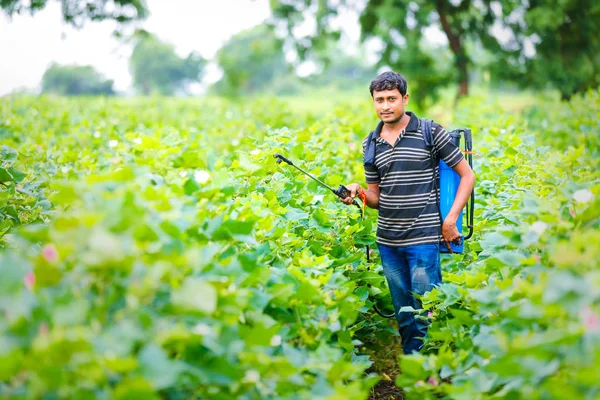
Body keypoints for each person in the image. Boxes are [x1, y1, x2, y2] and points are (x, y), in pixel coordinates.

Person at [340, 71, 475, 354]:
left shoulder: (429, 131)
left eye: (391, 98)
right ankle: (416, 372)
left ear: (405, 98)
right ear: (373, 102)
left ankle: (431, 373)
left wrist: (450, 219)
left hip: (424, 238)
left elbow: (467, 176)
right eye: (379, 100)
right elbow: (376, 195)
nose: (385, 106)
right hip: (388, 242)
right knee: (404, 313)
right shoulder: (370, 144)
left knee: (426, 310)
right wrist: (359, 193)